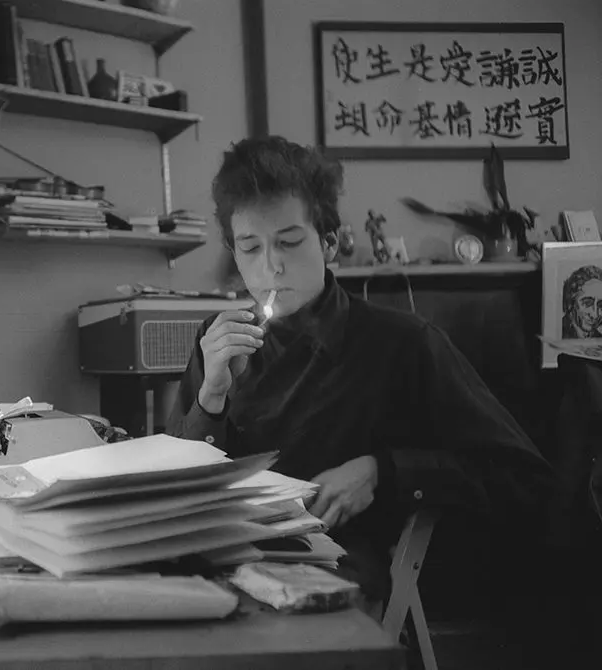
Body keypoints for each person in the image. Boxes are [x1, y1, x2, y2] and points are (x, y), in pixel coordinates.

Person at [166, 135, 555, 613]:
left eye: (289, 242)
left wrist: (382, 471)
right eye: (250, 248)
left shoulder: (402, 343)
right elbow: (171, 489)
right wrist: (211, 398)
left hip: (331, 574)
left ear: (328, 243)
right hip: (215, 561)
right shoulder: (219, 340)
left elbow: (523, 478)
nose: (271, 267)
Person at [561, 265, 602, 338]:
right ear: (571, 302)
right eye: (587, 303)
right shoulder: (558, 331)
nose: (595, 315)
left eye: (600, 305)